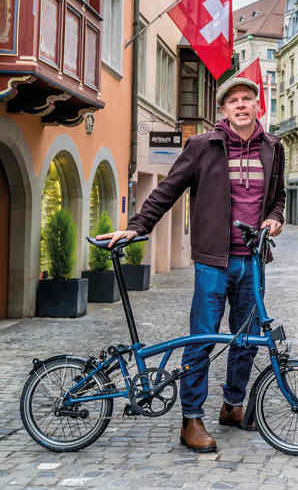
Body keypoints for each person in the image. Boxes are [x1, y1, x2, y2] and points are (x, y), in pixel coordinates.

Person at [98, 76, 284, 453]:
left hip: (252, 261)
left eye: (248, 99)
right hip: (213, 261)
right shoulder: (202, 146)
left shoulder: (273, 148)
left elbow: (278, 196)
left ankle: (233, 405)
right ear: (224, 111)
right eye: (234, 101)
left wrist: (275, 218)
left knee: (245, 340)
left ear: (257, 106)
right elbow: (168, 189)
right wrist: (136, 227)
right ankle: (191, 418)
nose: (242, 105)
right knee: (202, 338)